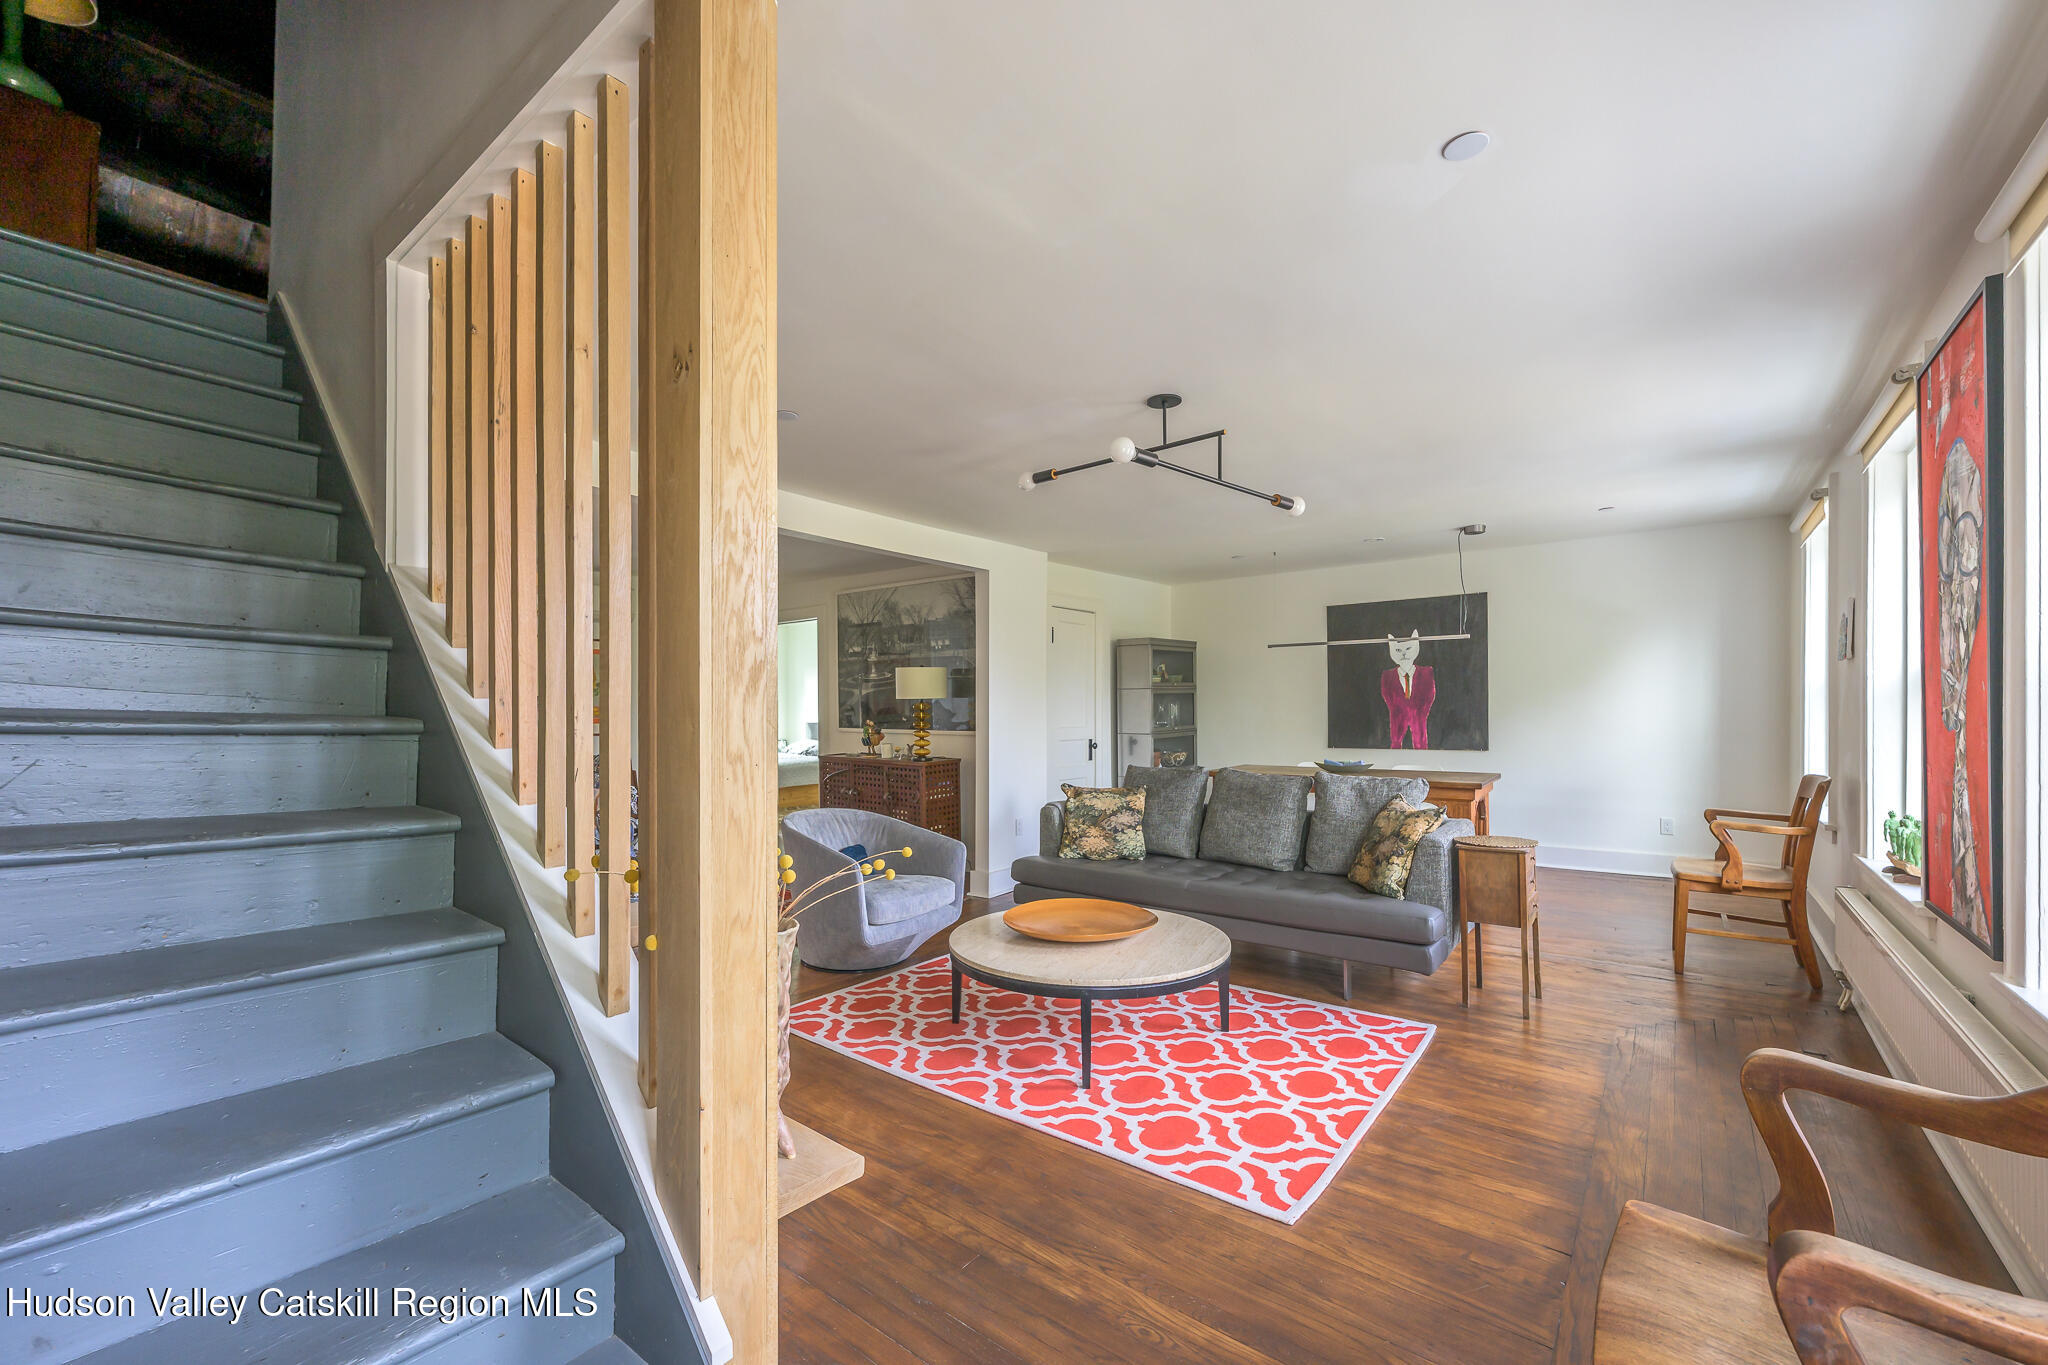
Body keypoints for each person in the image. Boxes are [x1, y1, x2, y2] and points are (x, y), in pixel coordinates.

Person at [1380, 631, 1435, 750]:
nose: (1404, 654)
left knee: (1421, 745)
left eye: (1408, 648)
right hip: (1396, 721)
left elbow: (1430, 694)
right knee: (1395, 744)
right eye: (1398, 650)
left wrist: (1419, 711)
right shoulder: (1387, 676)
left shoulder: (1427, 673)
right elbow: (1387, 696)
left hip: (1421, 718)